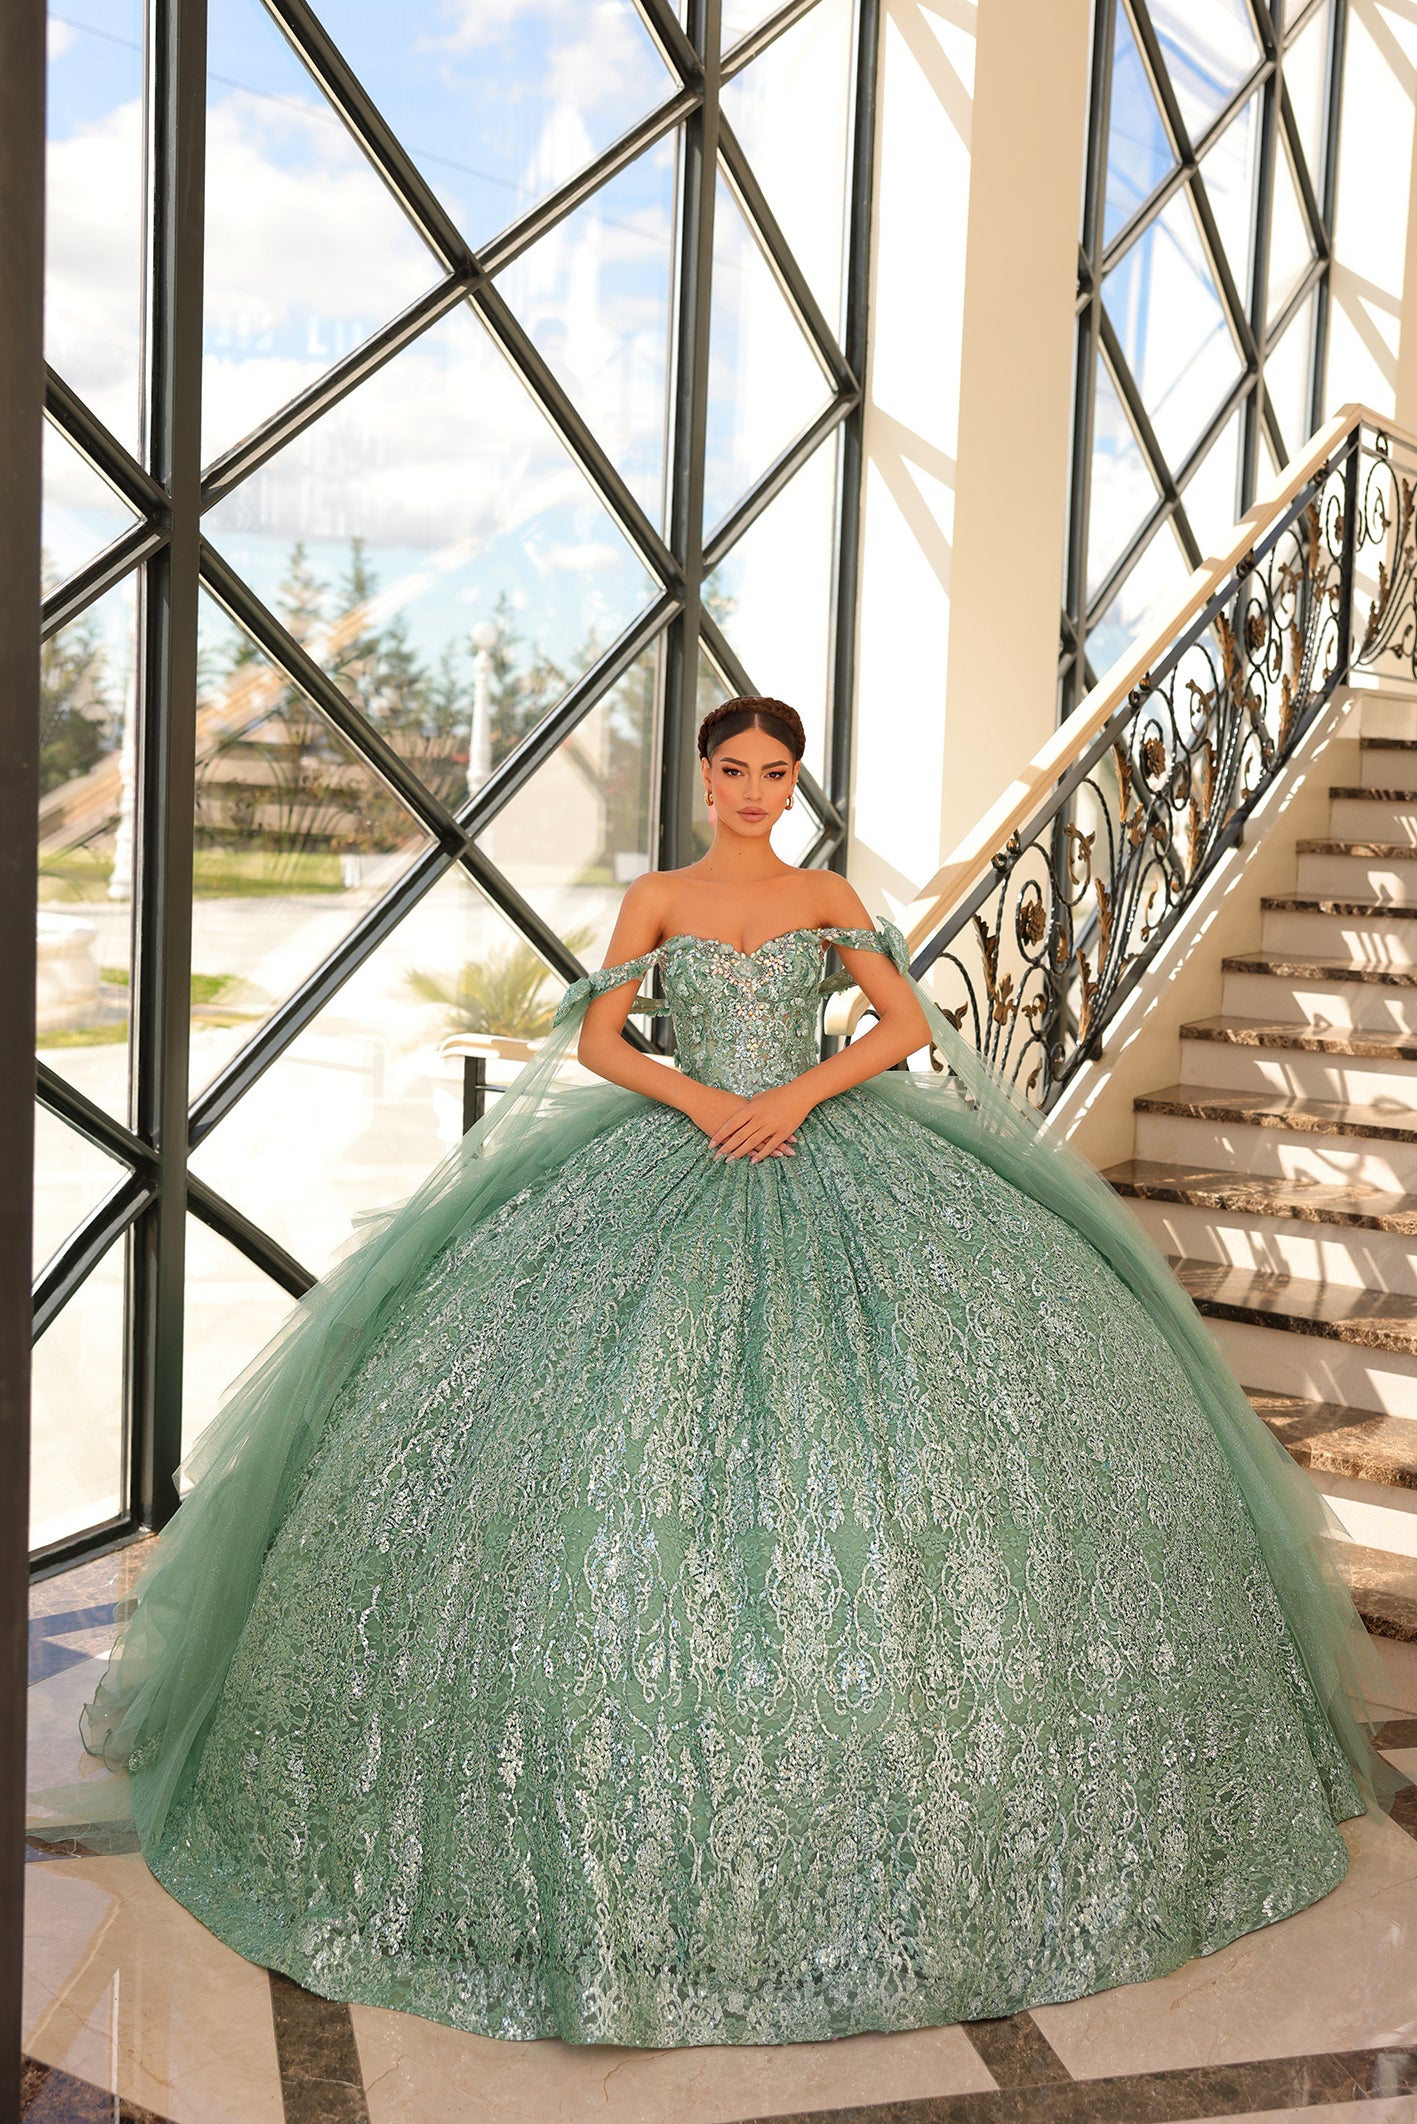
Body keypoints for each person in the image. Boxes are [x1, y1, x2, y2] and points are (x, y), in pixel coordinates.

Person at [69, 695, 1401, 2050]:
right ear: (700, 775)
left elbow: (901, 1032)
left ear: (793, 783)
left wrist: (798, 1094)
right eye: (733, 770)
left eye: (774, 773)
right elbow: (598, 1043)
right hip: (684, 1139)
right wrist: (706, 1101)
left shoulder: (824, 890)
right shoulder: (656, 894)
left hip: (816, 1138)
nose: (753, 790)